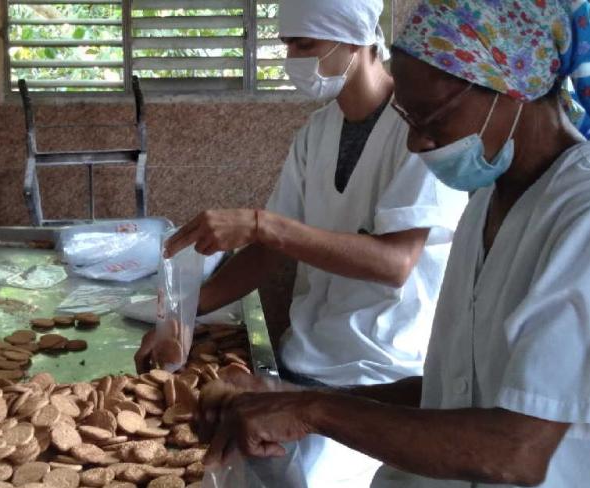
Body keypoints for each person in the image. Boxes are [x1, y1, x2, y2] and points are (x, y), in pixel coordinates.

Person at [198, 1, 590, 487]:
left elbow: (518, 450)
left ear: (511, 90)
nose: (415, 143)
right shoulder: (490, 201)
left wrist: (315, 409)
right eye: (409, 117)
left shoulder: (579, 219)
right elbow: (453, 393)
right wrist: (285, 395)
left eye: (431, 116)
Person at [136, 0, 467, 485]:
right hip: (305, 361)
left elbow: (395, 262)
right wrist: (183, 314)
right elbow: (269, 251)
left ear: (356, 40)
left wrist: (261, 224)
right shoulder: (317, 133)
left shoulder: (416, 132)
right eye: (287, 44)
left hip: (383, 375)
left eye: (305, 44)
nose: (292, 58)